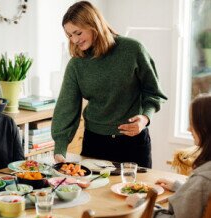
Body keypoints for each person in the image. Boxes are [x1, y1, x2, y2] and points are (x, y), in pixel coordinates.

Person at [51, 1, 167, 167]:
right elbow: (66, 107)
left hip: (132, 143)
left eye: (78, 33)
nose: (75, 40)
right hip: (95, 143)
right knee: (95, 192)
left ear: (94, 25)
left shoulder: (133, 50)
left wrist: (144, 118)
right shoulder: (77, 64)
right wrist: (60, 147)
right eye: (69, 35)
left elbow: (153, 92)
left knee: (138, 191)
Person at [126, 94, 211, 218]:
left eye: (193, 123)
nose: (188, 128)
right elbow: (200, 198)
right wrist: (180, 187)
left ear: (206, 127)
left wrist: (141, 204)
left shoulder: (203, 180)